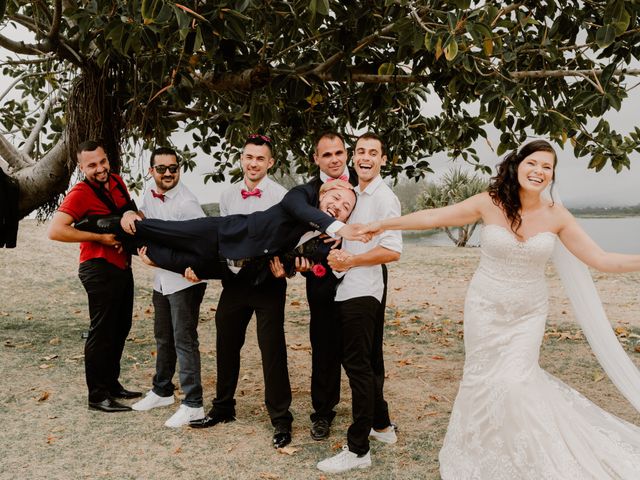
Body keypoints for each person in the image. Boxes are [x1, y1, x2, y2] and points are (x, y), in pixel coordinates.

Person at [359, 139, 640, 478]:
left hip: (528, 314)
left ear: (552, 175)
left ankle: (527, 450)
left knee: (517, 382)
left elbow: (603, 259)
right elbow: (434, 216)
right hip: (485, 308)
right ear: (517, 164)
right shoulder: (488, 203)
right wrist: (382, 225)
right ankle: (484, 450)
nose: (538, 171)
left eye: (547, 167)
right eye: (532, 163)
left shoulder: (557, 216)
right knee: (482, 381)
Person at [187, 134, 295, 449]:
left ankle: (281, 418)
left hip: (268, 283)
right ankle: (223, 407)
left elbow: (290, 242)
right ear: (241, 158)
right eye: (249, 156)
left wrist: (286, 267)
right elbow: (223, 239)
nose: (253, 163)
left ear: (270, 162)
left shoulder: (282, 197)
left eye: (260, 158)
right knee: (226, 344)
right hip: (234, 280)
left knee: (272, 350)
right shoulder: (228, 194)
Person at [316, 132, 402, 474]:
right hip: (345, 288)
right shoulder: (351, 192)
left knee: (357, 368)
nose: (366, 157)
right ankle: (381, 426)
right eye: (361, 151)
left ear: (383, 160)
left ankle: (358, 449)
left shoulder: (384, 198)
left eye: (374, 153)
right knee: (364, 362)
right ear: (355, 157)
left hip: (363, 291)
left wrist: (351, 262)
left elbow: (393, 251)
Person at [47, 140, 141, 412]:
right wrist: (100, 237)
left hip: (122, 266)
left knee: (120, 328)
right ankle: (97, 396)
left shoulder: (117, 182)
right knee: (102, 332)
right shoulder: (79, 193)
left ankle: (111, 385)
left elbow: (128, 212)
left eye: (102, 162)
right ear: (81, 167)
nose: (99, 169)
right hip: (98, 267)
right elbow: (56, 230)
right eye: (92, 165)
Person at [115, 176, 363, 279]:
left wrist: (293, 270)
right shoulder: (301, 197)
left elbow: (310, 263)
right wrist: (338, 227)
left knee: (153, 253)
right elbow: (298, 209)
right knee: (156, 230)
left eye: (346, 207)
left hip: (222, 266)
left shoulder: (320, 237)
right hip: (218, 234)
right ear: (324, 193)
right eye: (337, 198)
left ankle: (119, 241)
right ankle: (111, 224)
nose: (338, 206)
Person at [127, 147, 208, 428]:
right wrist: (130, 211)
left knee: (184, 339)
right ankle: (162, 390)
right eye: (161, 169)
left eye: (173, 168)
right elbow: (141, 214)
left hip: (185, 280)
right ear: (151, 172)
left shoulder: (187, 203)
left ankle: (193, 403)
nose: (168, 173)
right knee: (163, 336)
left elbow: (202, 245)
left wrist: (183, 265)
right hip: (161, 278)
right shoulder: (149, 192)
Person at [306, 131, 358, 441]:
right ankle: (323, 412)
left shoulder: (364, 185)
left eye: (338, 152)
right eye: (326, 155)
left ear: (346, 153)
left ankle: (372, 410)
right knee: (323, 346)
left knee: (364, 347)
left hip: (363, 277)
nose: (334, 159)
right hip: (321, 278)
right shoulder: (307, 193)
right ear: (316, 159)